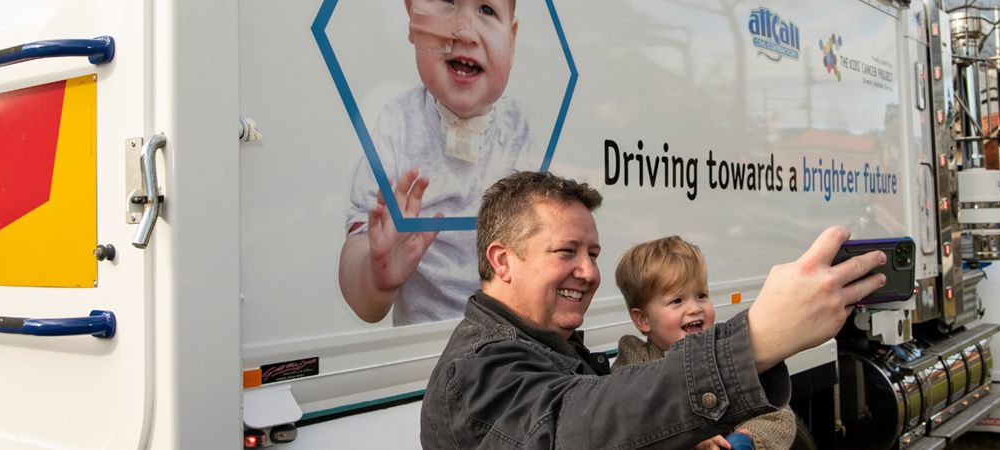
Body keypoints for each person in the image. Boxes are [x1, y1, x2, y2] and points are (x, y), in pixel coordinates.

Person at [419, 171, 886, 449]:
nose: (588, 272)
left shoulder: (551, 346)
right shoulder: (476, 370)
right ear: (503, 260)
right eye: (566, 252)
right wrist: (756, 338)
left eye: (594, 254)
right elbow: (575, 425)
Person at [338, 0, 543, 326]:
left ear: (513, 40)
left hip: (509, 353)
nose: (465, 32)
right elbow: (365, 295)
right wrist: (376, 278)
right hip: (425, 359)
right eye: (447, 2)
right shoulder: (397, 124)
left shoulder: (523, 133)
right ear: (413, 18)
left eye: (487, 10)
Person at [613, 236, 795, 450]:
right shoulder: (635, 360)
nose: (694, 309)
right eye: (677, 300)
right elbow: (634, 421)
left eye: (701, 295)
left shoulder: (727, 355)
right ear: (643, 319)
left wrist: (751, 439)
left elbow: (779, 416)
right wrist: (689, 440)